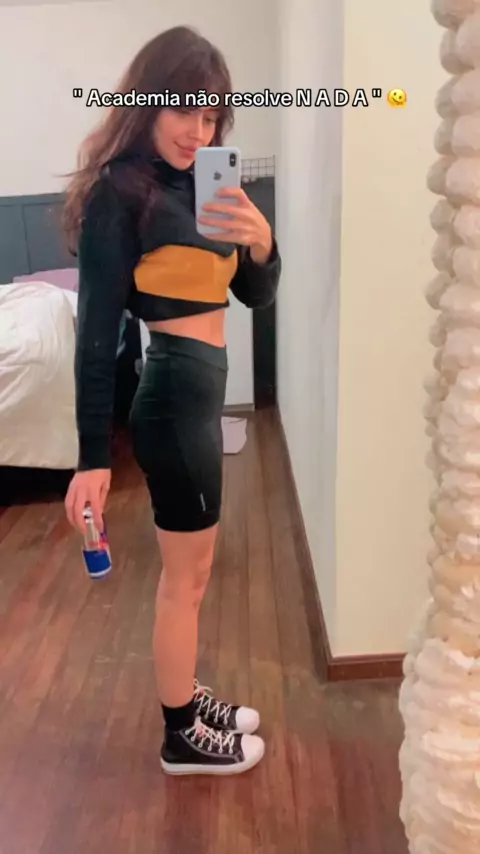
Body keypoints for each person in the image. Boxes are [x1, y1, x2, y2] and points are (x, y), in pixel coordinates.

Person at [63, 24, 281, 777]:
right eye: (185, 109)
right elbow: (96, 335)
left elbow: (253, 295)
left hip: (199, 397)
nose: (199, 130)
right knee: (185, 580)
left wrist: (261, 242)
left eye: (212, 115)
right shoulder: (121, 193)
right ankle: (180, 735)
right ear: (148, 103)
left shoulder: (208, 184)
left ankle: (184, 696)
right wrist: (92, 457)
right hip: (172, 401)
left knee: (196, 571)